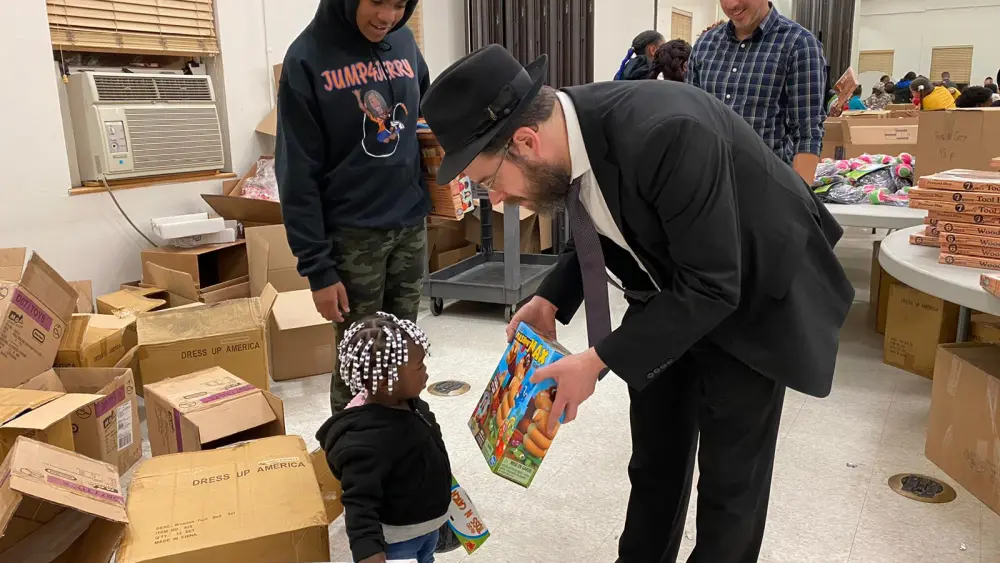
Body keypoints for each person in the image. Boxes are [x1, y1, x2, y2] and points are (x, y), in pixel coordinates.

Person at [421, 45, 853, 563]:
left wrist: (596, 360)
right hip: (670, 288)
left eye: (490, 183)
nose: (496, 203)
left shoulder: (666, 132)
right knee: (655, 463)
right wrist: (550, 300)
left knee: (729, 487)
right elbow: (607, 225)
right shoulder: (570, 139)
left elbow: (715, 285)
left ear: (525, 141)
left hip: (754, 296)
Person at [276, 0, 432, 414]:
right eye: (377, 1)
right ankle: (354, 460)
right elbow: (296, 172)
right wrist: (318, 269)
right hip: (351, 236)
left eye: (400, 4)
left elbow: (426, 110)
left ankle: (405, 446)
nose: (387, 16)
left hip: (409, 224)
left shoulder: (403, 41)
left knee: (405, 353)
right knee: (360, 360)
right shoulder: (306, 58)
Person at [317, 313, 450, 563]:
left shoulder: (413, 405)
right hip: (399, 543)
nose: (426, 372)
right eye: (419, 366)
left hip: (427, 529)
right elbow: (358, 501)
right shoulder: (366, 441)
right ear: (386, 380)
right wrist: (368, 551)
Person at [688, 0, 827, 185]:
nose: (732, 5)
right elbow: (691, 121)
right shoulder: (705, 45)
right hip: (709, 185)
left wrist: (799, 204)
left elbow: (807, 133)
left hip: (768, 188)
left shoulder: (799, 44)